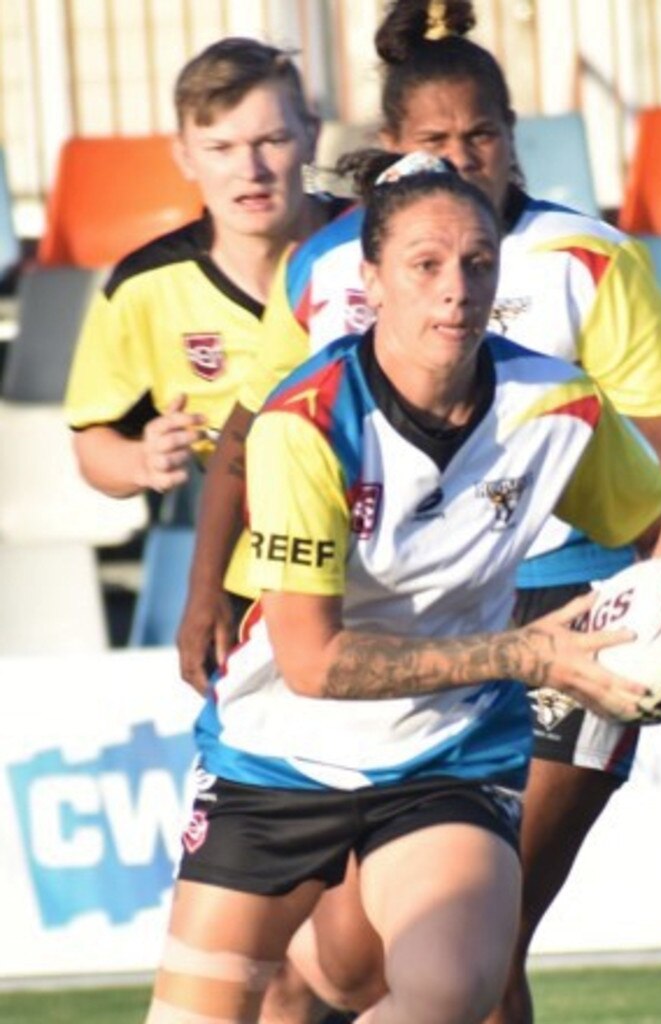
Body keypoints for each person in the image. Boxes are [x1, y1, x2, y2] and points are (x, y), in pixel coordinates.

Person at [176, 3, 661, 1021]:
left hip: (572, 623)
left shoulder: (581, 259)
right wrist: (209, 588)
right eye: (437, 141)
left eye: (484, 134)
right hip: (350, 667)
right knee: (334, 974)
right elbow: (255, 435)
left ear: (516, 134)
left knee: (481, 943)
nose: (465, 156)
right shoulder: (327, 275)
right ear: (394, 158)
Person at [63, 35, 349, 1024]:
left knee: (371, 932)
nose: (253, 168)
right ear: (183, 155)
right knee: (272, 932)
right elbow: (92, 437)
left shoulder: (369, 250)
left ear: (311, 134)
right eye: (223, 146)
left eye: (272, 140)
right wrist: (138, 461)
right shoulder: (144, 286)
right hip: (244, 614)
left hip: (387, 598)